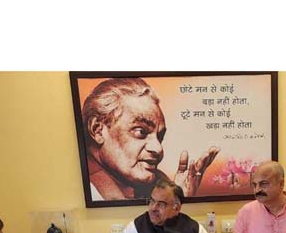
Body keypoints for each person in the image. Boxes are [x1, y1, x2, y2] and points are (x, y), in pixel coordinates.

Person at [81, 77, 219, 201]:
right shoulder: (85, 190)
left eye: (160, 137)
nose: (158, 149)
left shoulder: (158, 188)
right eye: (140, 131)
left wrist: (177, 201)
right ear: (97, 130)